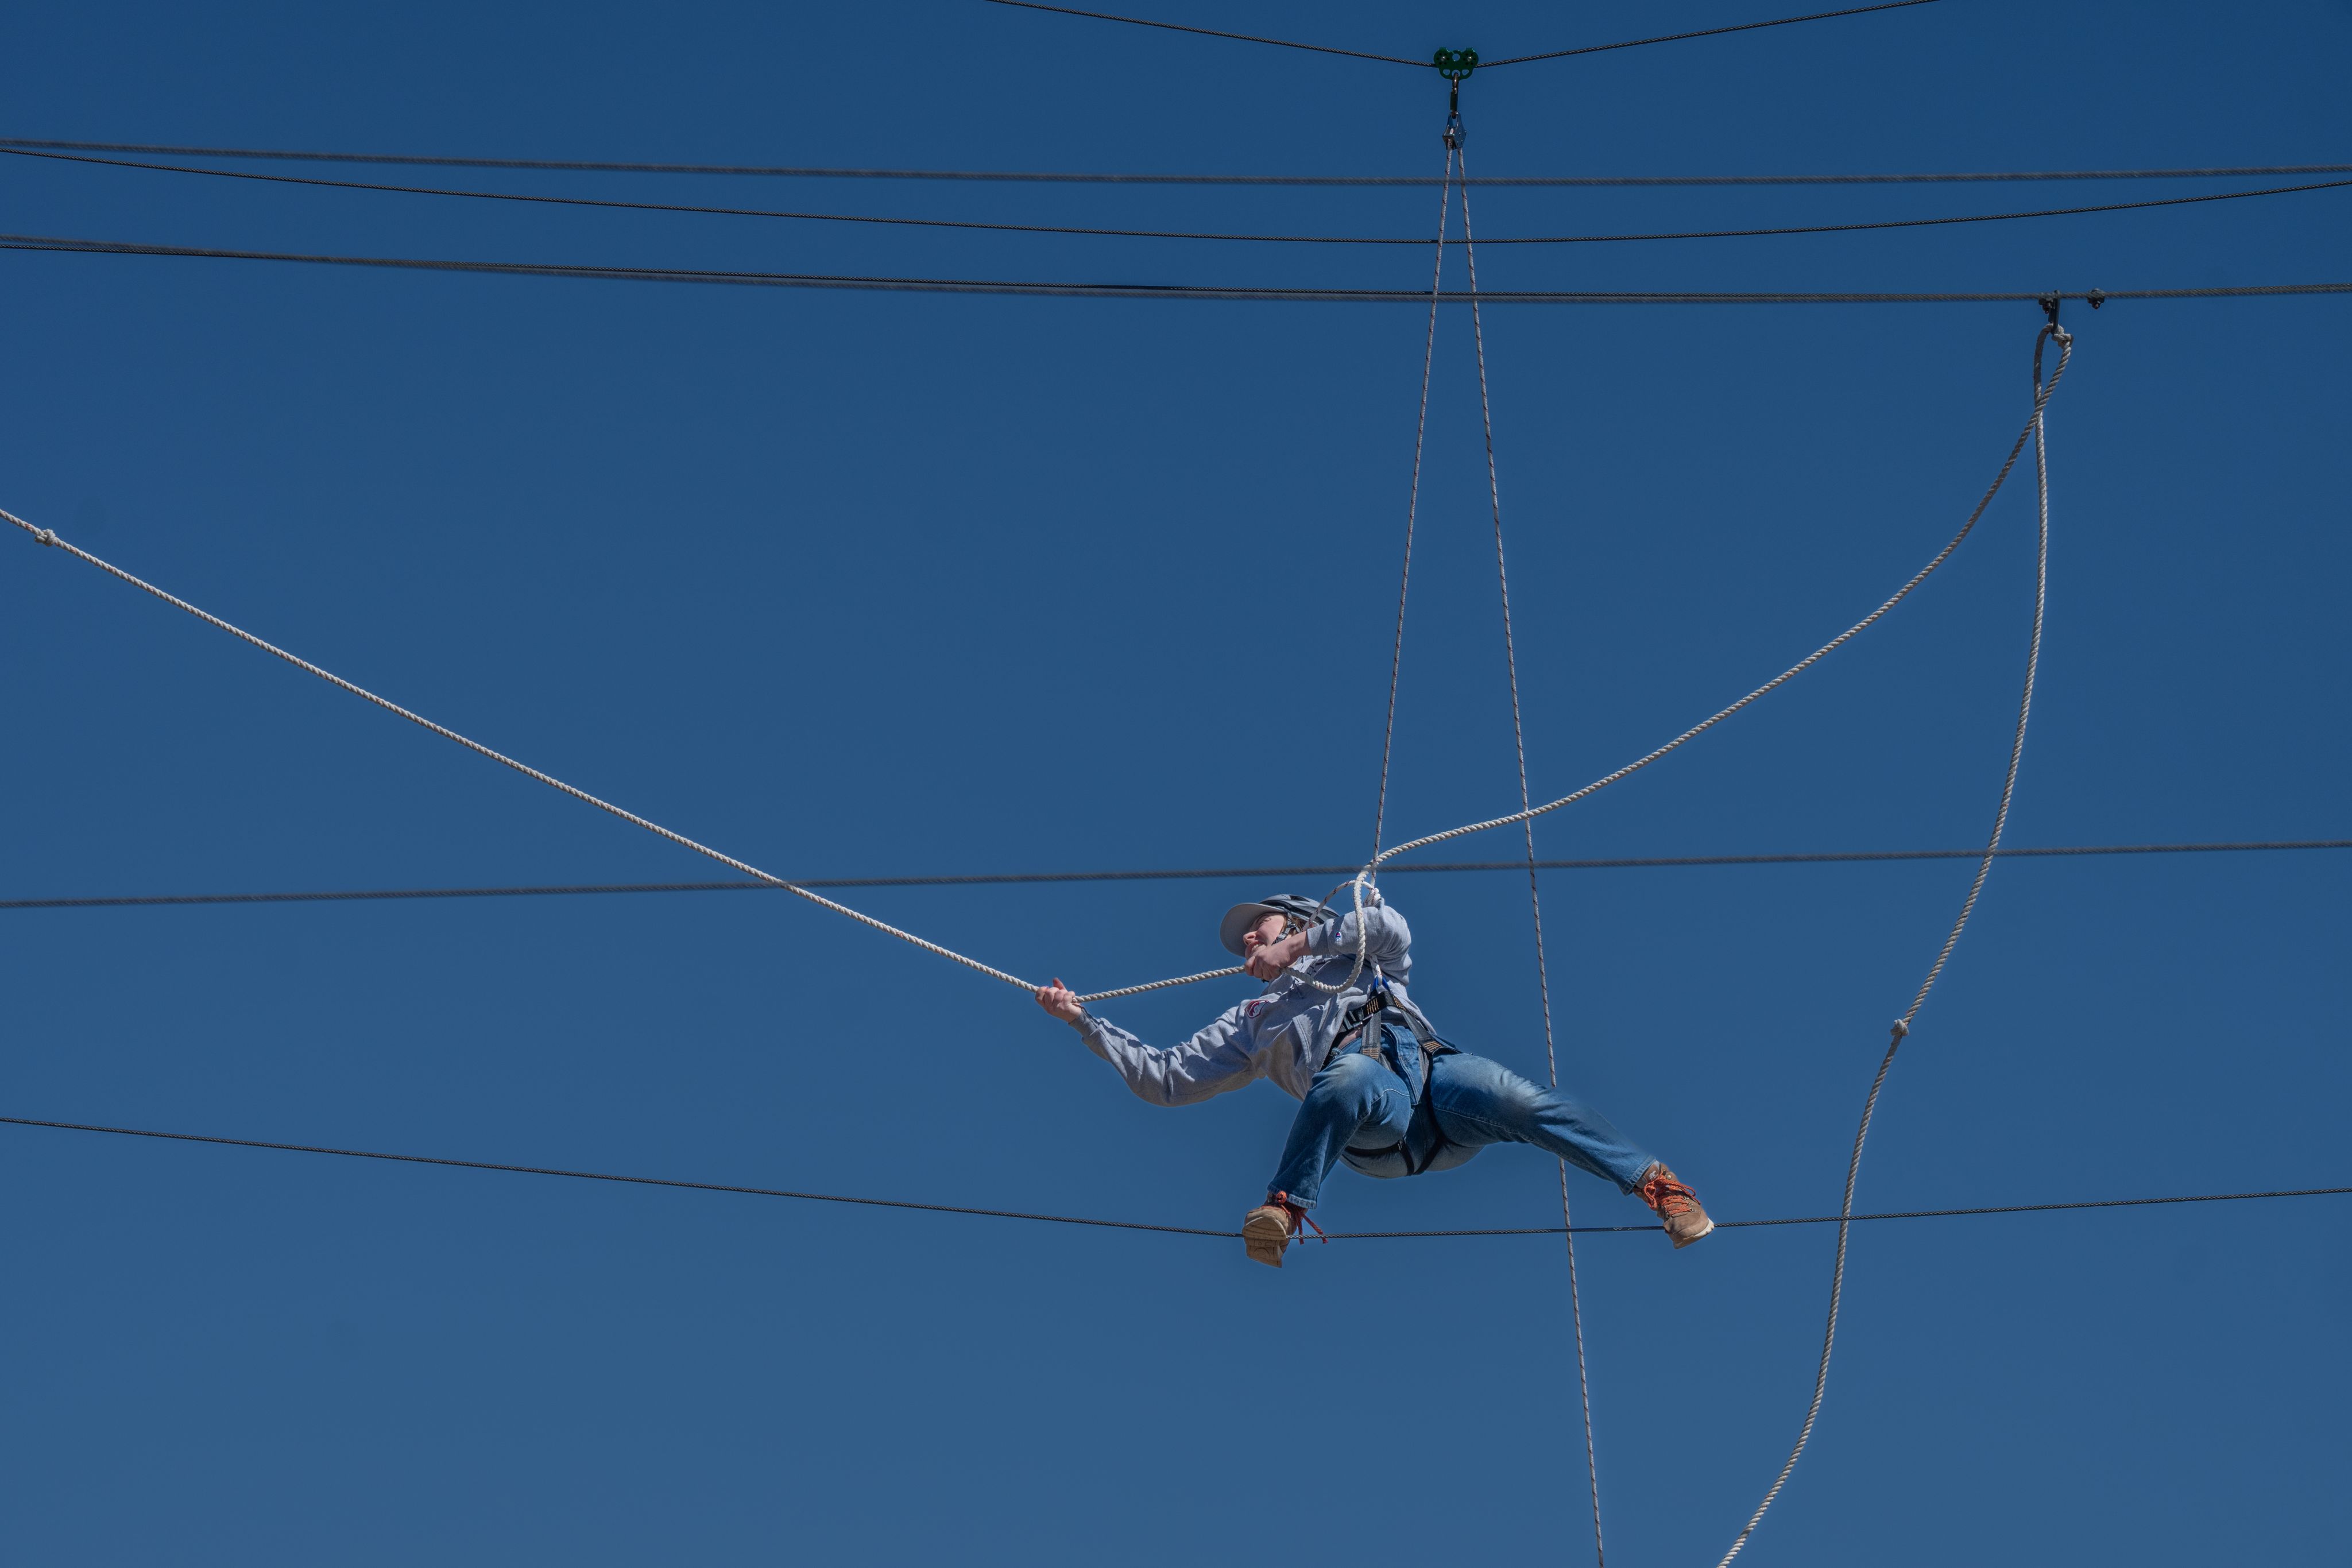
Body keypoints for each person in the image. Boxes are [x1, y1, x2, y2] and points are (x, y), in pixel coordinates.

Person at [1035, 888, 1712, 1267]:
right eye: (1247, 939)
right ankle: (1286, 1206)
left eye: (1257, 928)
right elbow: (1166, 1079)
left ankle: (1659, 1187)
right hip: (1374, 1124)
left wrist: (1297, 947)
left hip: (1435, 1083)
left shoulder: (1357, 954)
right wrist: (1082, 1022)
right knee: (1348, 1075)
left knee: (1516, 1097)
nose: (1248, 941)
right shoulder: (1251, 1019)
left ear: (1297, 920)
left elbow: (1390, 926)